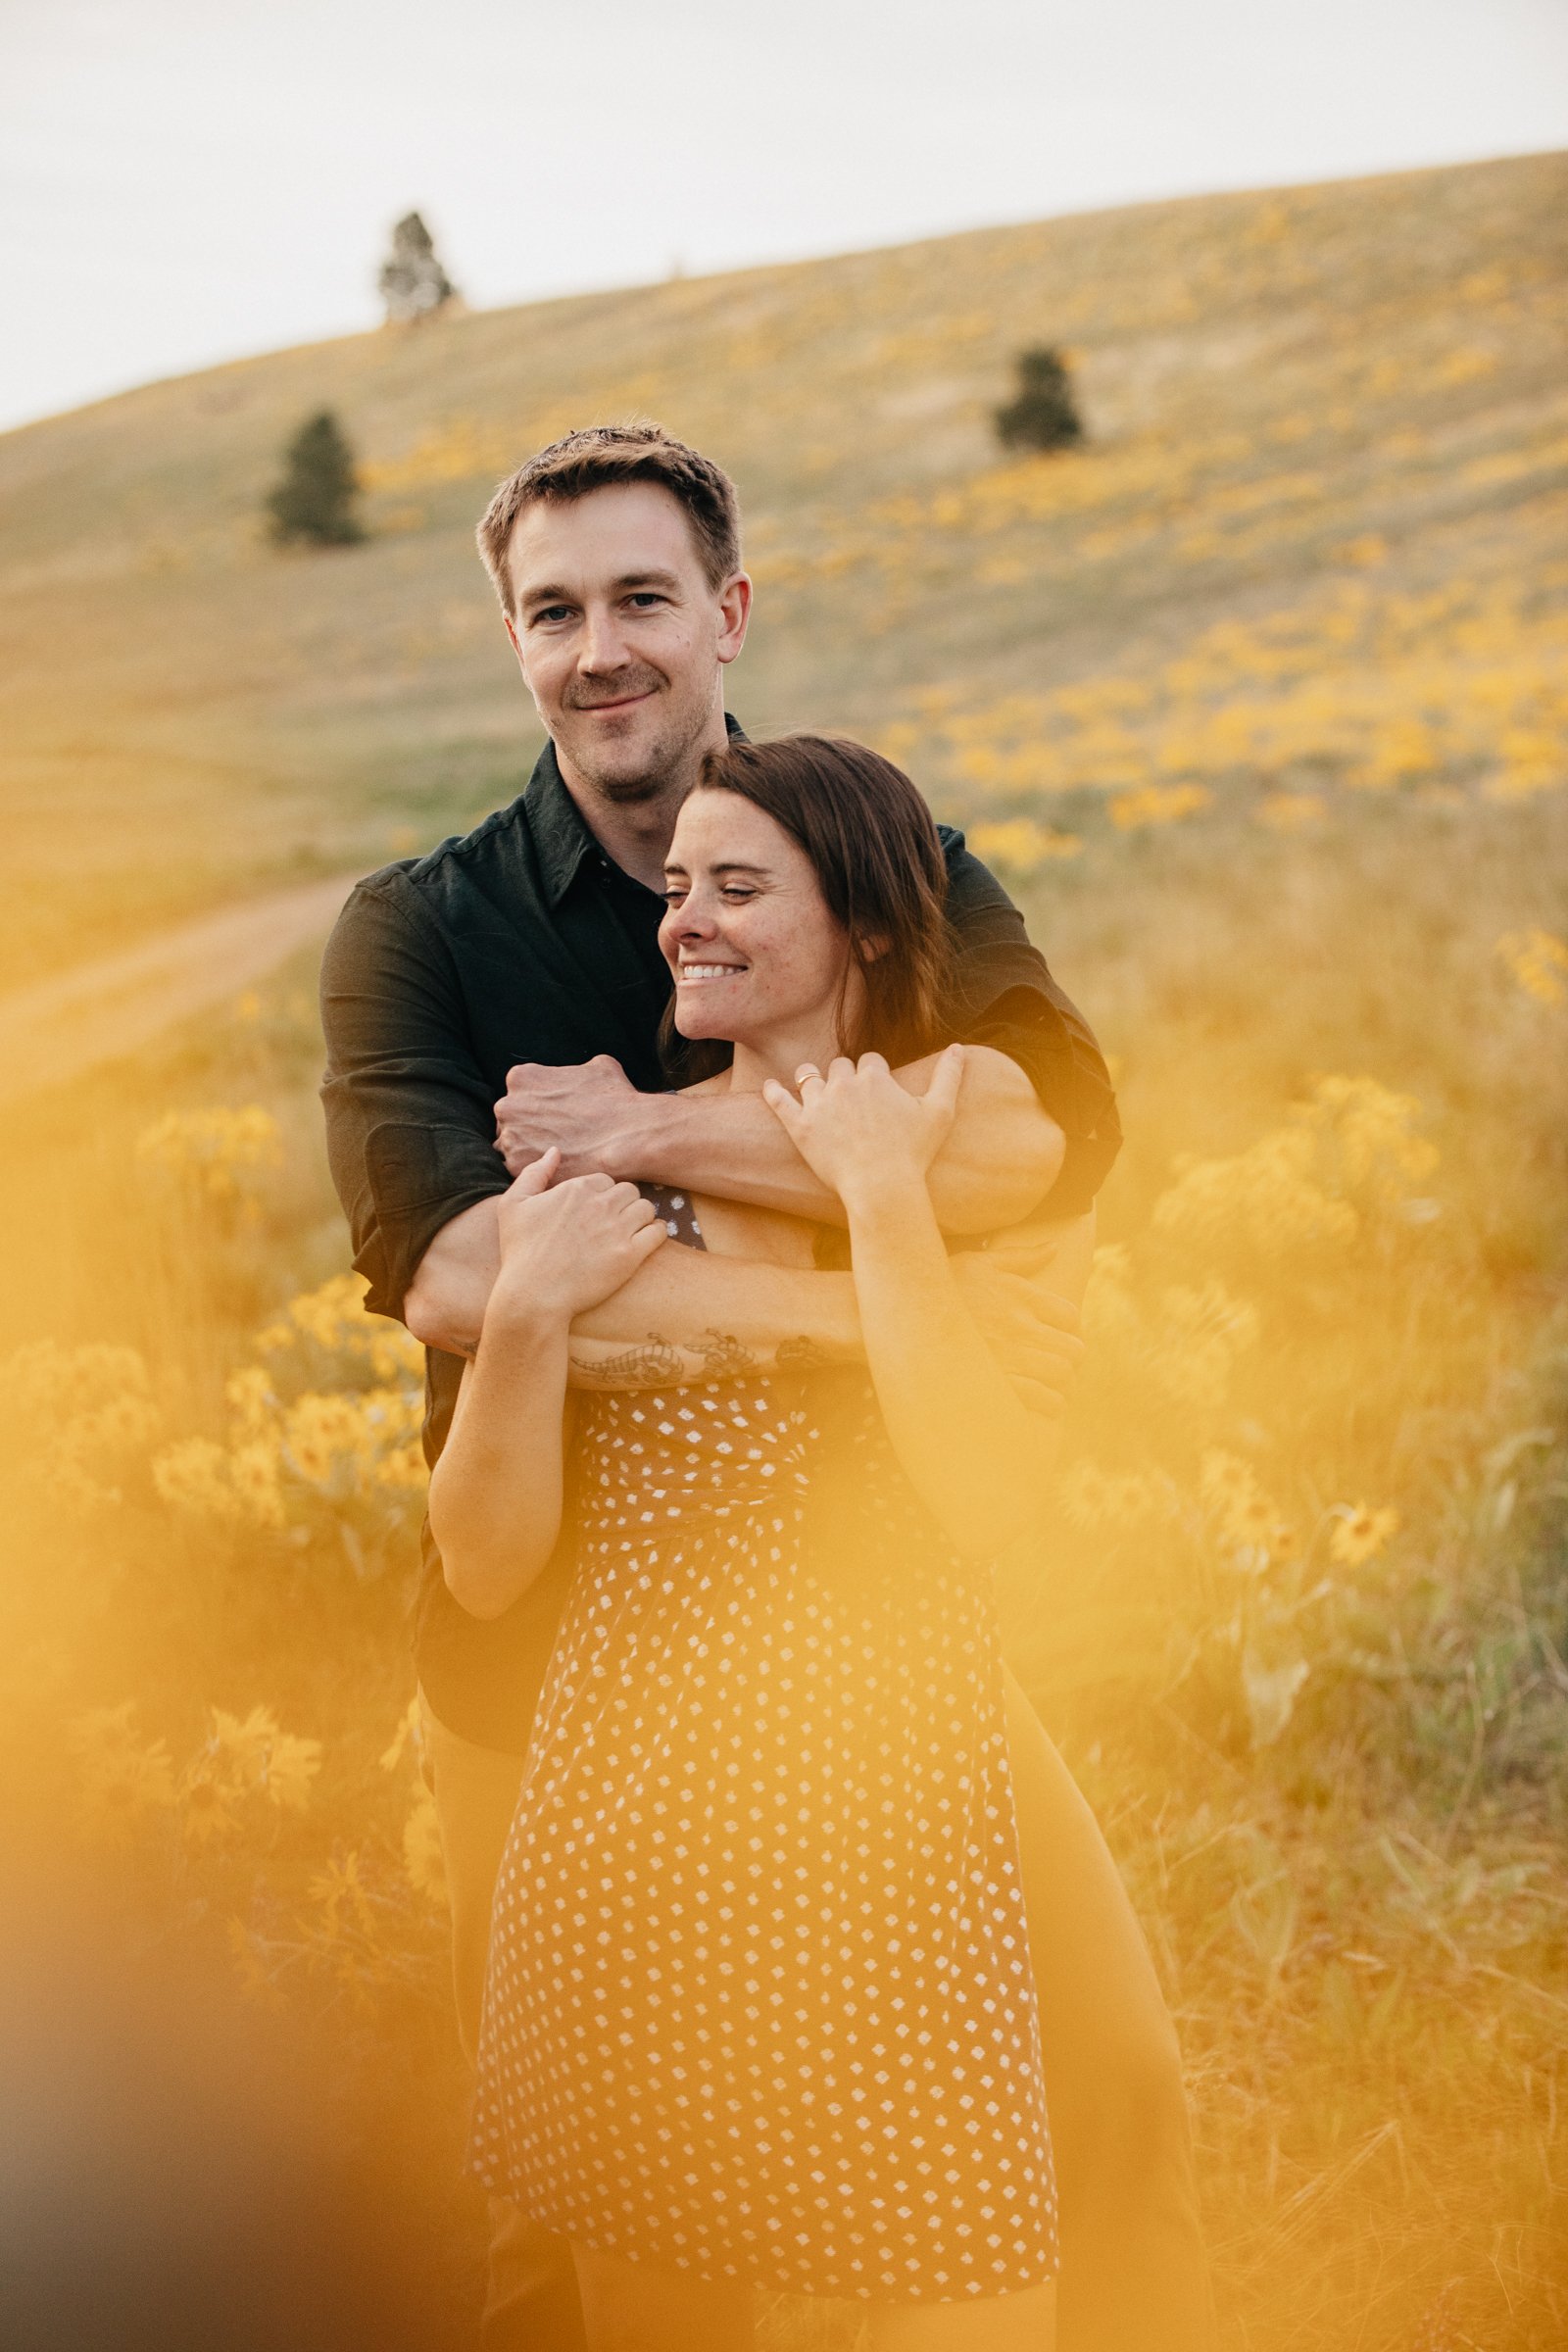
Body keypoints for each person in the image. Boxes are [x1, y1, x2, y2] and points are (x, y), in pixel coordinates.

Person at [318, 425, 1212, 2352]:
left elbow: (1045, 1142)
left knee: (1105, 2095)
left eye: (640, 599)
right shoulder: (421, 927)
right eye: (550, 612)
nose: (598, 650)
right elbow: (455, 1270)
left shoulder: (881, 845)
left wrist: (643, 1146)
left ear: (723, 616)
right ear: (513, 642)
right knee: (580, 2235)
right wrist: (852, 1266)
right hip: (559, 1657)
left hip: (873, 1648)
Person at [433, 734, 1070, 2350]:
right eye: (674, 890)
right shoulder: (592, 1202)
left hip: (899, 1836)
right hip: (636, 1840)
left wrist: (885, 1193)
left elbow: (993, 1499)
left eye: (735, 887)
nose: (685, 922)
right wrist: (522, 1316)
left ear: (861, 919)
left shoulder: (958, 1128)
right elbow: (486, 1565)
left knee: (966, 2291)